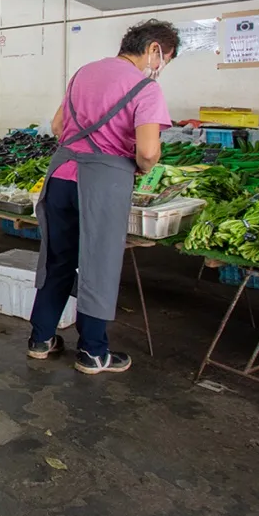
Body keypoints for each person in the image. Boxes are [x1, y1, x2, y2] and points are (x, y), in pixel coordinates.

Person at [29, 19, 178, 375]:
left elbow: (57, 127)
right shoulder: (146, 88)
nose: (161, 68)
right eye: (165, 59)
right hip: (101, 184)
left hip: (61, 176)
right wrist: (142, 164)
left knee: (58, 259)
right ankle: (93, 352)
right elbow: (147, 151)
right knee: (99, 263)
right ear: (154, 50)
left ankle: (40, 339)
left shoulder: (84, 73)